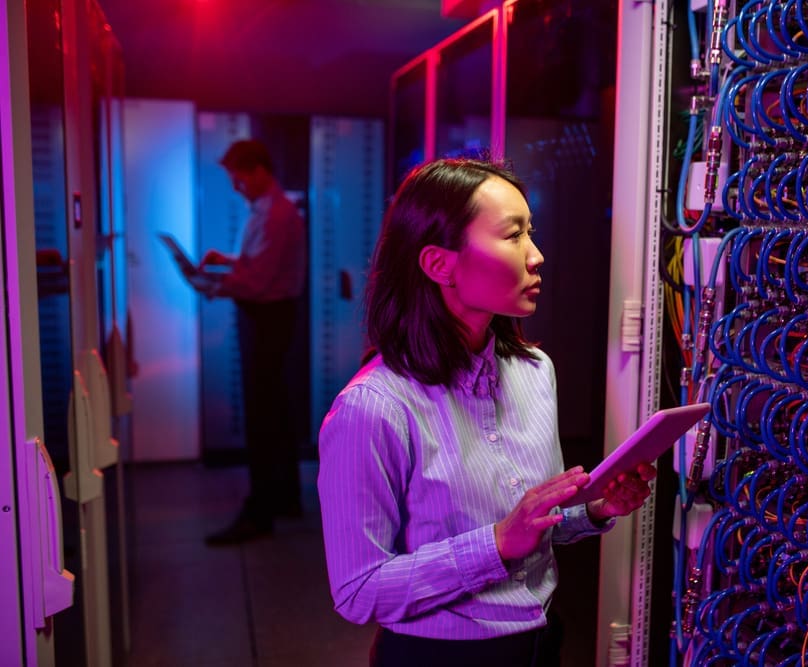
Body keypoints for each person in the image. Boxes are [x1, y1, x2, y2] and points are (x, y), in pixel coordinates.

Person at [317, 158, 656, 666]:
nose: (536, 256)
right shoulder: (373, 409)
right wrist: (495, 543)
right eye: (513, 236)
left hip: (540, 644)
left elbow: (534, 528)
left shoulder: (534, 371)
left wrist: (592, 510)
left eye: (531, 233)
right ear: (439, 264)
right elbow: (359, 591)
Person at [194, 139, 307, 546]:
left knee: (262, 416)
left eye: (239, 177)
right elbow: (260, 264)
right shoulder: (268, 211)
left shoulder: (276, 214)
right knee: (274, 411)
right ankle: (285, 497)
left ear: (259, 169)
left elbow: (259, 281)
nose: (236, 186)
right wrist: (228, 261)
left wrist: (209, 283)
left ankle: (260, 511)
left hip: (268, 318)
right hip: (272, 317)